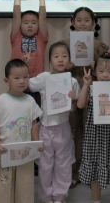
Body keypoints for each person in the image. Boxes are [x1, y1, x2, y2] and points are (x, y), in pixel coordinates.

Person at [60, 6, 109, 187]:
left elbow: (108, 71)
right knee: (72, 129)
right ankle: (72, 171)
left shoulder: (99, 46)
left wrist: (98, 66)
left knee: (90, 130)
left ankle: (90, 172)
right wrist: (65, 66)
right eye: (78, 20)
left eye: (86, 20)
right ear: (72, 22)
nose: (82, 24)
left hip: (92, 90)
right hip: (71, 91)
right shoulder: (64, 44)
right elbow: (55, 67)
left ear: (93, 23)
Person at [29, 42, 80, 203]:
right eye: (56, 56)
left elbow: (76, 104)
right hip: (45, 128)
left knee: (63, 165)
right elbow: (28, 85)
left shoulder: (72, 81)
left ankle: (59, 196)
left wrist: (73, 99)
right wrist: (27, 64)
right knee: (45, 166)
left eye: (64, 56)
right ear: (50, 60)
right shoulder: (44, 77)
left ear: (69, 60)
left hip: (63, 128)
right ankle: (46, 197)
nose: (60, 59)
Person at [0, 59, 44, 203]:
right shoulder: (0, 101)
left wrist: (36, 142)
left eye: (25, 77)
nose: (22, 81)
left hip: (25, 152)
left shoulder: (30, 101)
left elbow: (34, 123)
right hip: (4, 152)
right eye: (17, 78)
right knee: (2, 185)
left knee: (25, 185)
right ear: (6, 81)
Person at [77, 53, 110, 203]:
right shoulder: (91, 88)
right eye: (101, 71)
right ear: (94, 73)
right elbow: (80, 104)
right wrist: (85, 85)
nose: (105, 75)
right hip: (94, 136)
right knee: (94, 172)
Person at [10, 0, 49, 105]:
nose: (30, 25)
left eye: (34, 22)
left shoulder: (41, 38)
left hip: (36, 87)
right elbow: (16, 17)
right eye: (26, 22)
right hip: (17, 85)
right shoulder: (16, 37)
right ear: (21, 24)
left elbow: (42, 18)